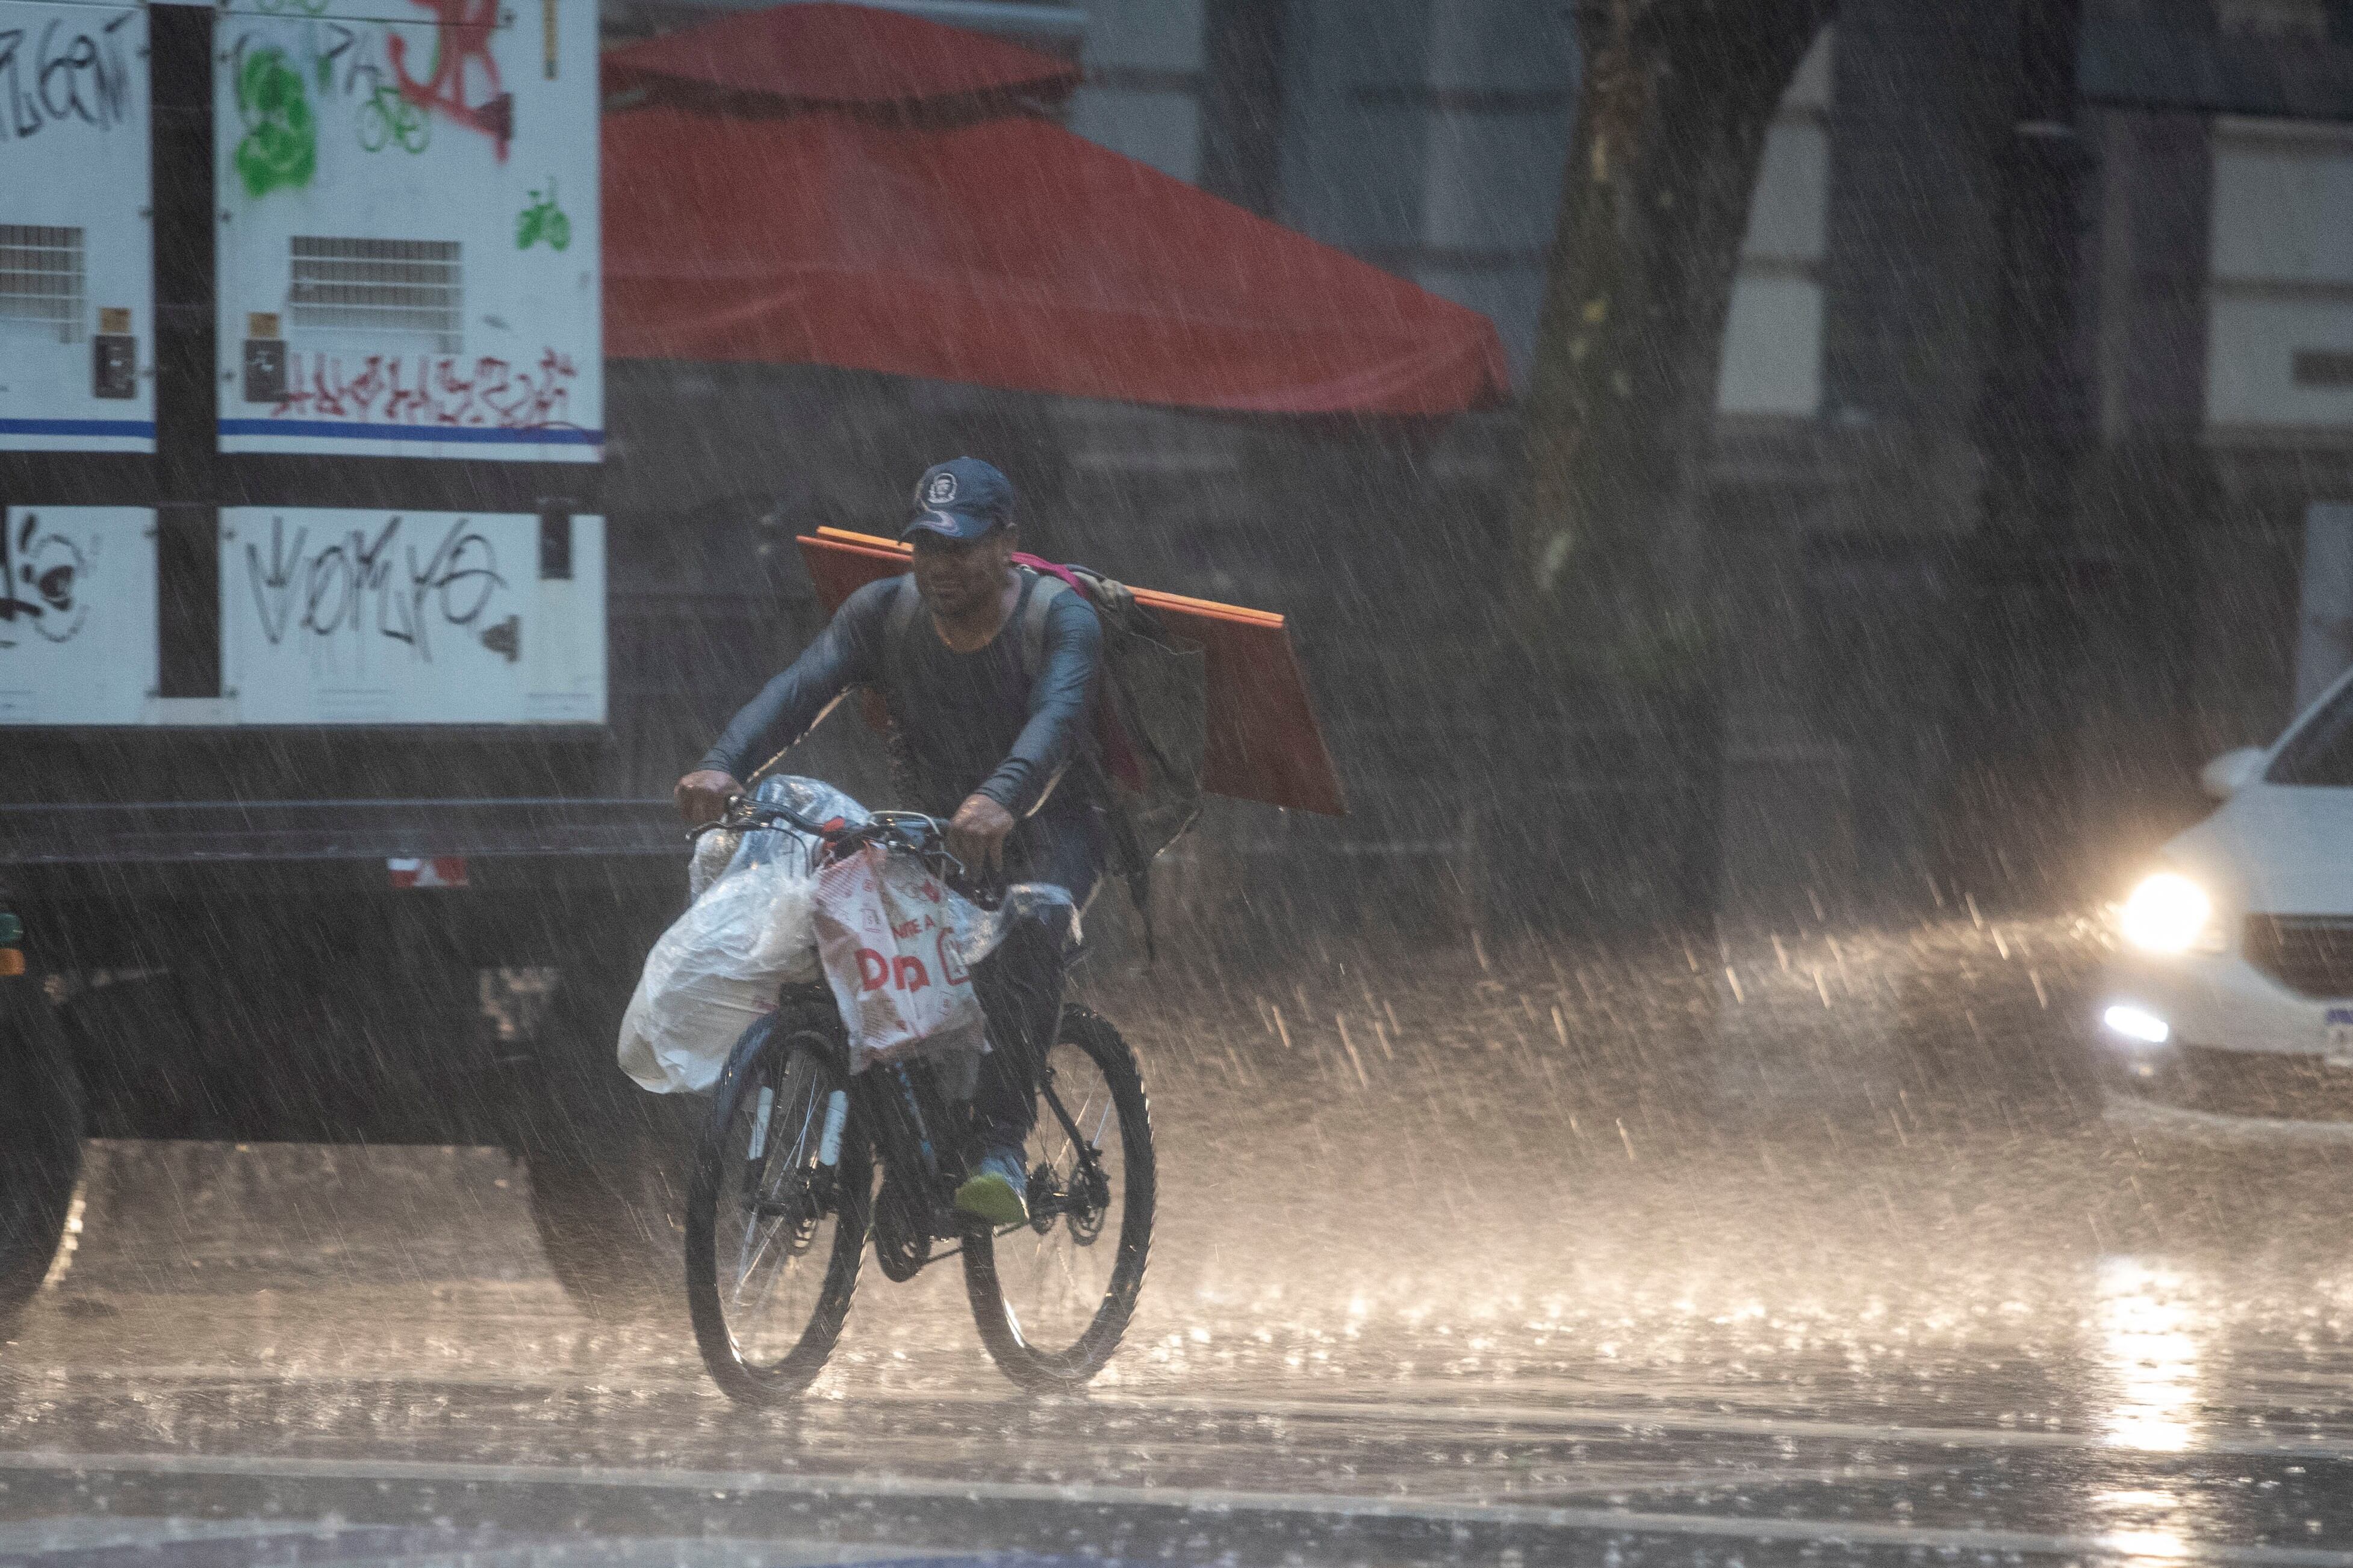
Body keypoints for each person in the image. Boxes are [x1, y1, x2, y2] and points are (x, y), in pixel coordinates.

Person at [674, 457, 1105, 1226]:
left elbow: (1056, 728)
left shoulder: (1061, 619)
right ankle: (893, 1132)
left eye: (962, 547)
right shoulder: (882, 612)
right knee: (838, 921)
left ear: (1006, 543)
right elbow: (799, 692)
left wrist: (1000, 799)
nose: (940, 566)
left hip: (1053, 828)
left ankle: (1001, 1145)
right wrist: (723, 763)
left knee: (1031, 929)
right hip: (937, 829)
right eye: (926, 547)